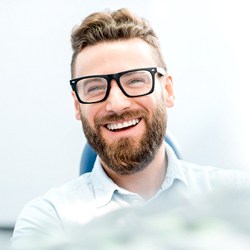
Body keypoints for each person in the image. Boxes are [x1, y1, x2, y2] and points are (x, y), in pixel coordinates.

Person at [11, 8, 250, 249]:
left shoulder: (240, 198)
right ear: (77, 104)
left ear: (167, 91)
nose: (116, 104)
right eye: (94, 87)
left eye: (135, 80)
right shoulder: (49, 222)